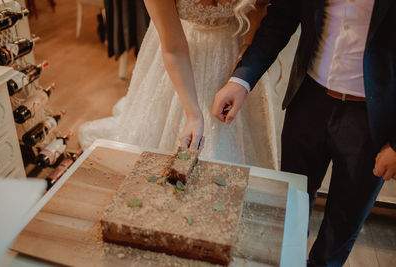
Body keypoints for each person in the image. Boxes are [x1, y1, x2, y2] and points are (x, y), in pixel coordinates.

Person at [212, 0, 396, 266]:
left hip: (371, 119)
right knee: (290, 212)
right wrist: (241, 80)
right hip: (308, 101)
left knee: (341, 229)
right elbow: (281, 20)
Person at [78, 0, 278, 169]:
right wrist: (193, 114)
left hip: (237, 42)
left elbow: (258, 7)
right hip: (181, 49)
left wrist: (245, 57)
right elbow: (174, 49)